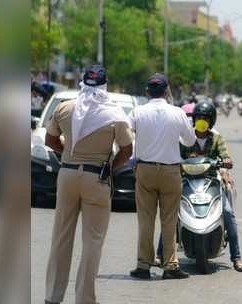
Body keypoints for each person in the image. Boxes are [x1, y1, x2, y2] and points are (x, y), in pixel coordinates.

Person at [44, 64, 133, 304]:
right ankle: (84, 298)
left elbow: (50, 139)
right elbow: (127, 150)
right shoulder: (115, 115)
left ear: (83, 83)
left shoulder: (65, 108)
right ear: (105, 85)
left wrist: (68, 153)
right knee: (93, 241)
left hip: (68, 174)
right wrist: (110, 166)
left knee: (61, 236)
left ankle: (52, 296)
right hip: (97, 178)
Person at [156, 101, 242, 272]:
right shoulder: (185, 138)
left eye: (205, 118)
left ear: (211, 121)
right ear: (193, 119)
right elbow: (175, 155)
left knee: (228, 212)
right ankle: (160, 254)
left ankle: (236, 258)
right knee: (172, 212)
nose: (201, 121)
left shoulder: (217, 138)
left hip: (212, 181)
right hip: (186, 181)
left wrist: (226, 162)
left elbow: (225, 155)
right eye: (198, 117)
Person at [130, 73, 196, 280]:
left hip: (145, 170)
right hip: (170, 172)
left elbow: (126, 136)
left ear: (147, 91)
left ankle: (143, 266)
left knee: (146, 220)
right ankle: (170, 266)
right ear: (167, 91)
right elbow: (189, 141)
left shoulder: (136, 112)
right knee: (169, 221)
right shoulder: (177, 113)